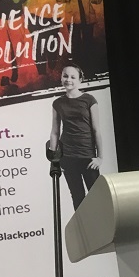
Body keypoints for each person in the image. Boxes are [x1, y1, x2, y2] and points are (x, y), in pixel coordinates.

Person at [48, 63, 102, 210]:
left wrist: (100, 157)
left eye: (73, 77)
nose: (68, 79)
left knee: (96, 196)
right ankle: (84, 231)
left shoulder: (89, 100)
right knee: (77, 197)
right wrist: (54, 161)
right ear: (61, 78)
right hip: (68, 157)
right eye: (65, 76)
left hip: (88, 156)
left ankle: (100, 230)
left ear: (80, 80)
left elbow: (96, 130)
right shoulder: (57, 103)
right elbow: (55, 132)